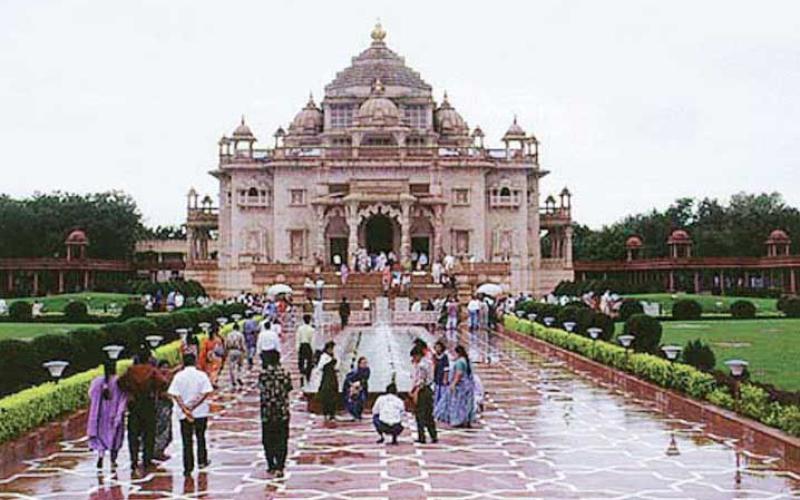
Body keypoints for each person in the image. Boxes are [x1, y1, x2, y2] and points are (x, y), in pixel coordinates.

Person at [118, 349, 168, 471]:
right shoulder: (152, 370)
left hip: (134, 403)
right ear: (149, 358)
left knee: (133, 433)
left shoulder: (131, 370)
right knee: (149, 433)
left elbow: (120, 382)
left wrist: (130, 391)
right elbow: (164, 382)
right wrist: (155, 391)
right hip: (148, 403)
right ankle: (147, 459)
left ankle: (134, 460)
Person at [168, 353, 214, 477]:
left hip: (184, 414)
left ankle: (188, 467)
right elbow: (206, 392)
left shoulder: (179, 376)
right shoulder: (201, 375)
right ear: (195, 362)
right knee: (200, 437)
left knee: (186, 440)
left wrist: (185, 408)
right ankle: (202, 461)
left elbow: (174, 394)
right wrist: (194, 406)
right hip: (200, 412)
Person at [87, 360, 128, 469]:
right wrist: (121, 412)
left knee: (101, 438)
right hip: (114, 415)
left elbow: (91, 394)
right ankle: (113, 460)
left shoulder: (97, 381)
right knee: (115, 438)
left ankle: (101, 456)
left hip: (100, 416)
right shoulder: (119, 381)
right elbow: (123, 398)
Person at [259, 349, 292, 477]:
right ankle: (280, 465)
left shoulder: (263, 374)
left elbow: (261, 389)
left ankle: (271, 464)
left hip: (267, 412)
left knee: (268, 439)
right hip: (282, 411)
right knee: (282, 439)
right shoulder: (285, 373)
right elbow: (289, 388)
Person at [439, 345, 475, 428]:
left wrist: (453, 384)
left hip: (460, 387)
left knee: (458, 404)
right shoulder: (465, 360)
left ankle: (458, 420)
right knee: (466, 404)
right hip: (467, 385)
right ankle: (466, 420)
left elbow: (459, 373)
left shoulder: (459, 362)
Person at [410, 345, 438, 444]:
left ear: (418, 355)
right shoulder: (428, 362)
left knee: (420, 415)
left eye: (414, 357)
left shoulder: (422, 365)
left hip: (422, 391)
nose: (413, 359)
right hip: (428, 390)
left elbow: (421, 381)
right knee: (428, 415)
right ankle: (433, 435)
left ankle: (422, 437)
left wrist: (415, 392)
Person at [153, 360, 174, 462]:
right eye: (163, 367)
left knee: (167, 430)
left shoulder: (169, 377)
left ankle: (160, 451)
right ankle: (156, 451)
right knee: (160, 429)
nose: (165, 369)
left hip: (168, 406)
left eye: (167, 367)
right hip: (159, 406)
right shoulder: (156, 379)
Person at [316, 341, 338, 421]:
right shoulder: (324, 357)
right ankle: (326, 413)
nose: (332, 350)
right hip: (326, 379)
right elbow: (320, 368)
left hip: (333, 378)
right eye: (331, 348)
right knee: (327, 396)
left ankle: (332, 414)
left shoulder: (332, 356)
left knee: (333, 395)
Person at [225, 322, 246, 388]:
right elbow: (242, 343)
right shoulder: (240, 334)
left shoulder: (229, 334)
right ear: (238, 328)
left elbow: (226, 344)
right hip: (239, 351)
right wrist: (244, 351)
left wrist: (226, 351)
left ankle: (233, 380)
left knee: (231, 367)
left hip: (231, 351)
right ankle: (239, 377)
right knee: (240, 366)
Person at [432, 340, 450, 415]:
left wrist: (445, 378)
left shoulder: (445, 357)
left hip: (442, 379)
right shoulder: (434, 356)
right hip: (436, 379)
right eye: (436, 347)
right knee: (436, 396)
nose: (437, 349)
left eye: (439, 347)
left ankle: (442, 412)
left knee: (442, 395)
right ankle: (436, 411)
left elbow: (446, 369)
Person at [296, 314, 315, 385]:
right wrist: (313, 350)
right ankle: (308, 377)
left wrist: (297, 348)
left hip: (302, 346)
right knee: (309, 363)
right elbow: (313, 341)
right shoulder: (311, 329)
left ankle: (302, 375)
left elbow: (298, 339)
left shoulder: (300, 329)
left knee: (301, 362)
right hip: (308, 346)